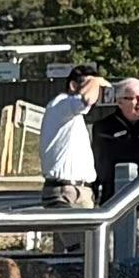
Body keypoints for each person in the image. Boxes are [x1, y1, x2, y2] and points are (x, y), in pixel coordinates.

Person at [37, 72, 108, 210]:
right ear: (73, 85)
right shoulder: (61, 104)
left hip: (78, 190)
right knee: (72, 232)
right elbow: (87, 99)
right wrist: (94, 81)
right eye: (93, 87)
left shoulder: (70, 114)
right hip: (67, 192)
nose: (97, 93)